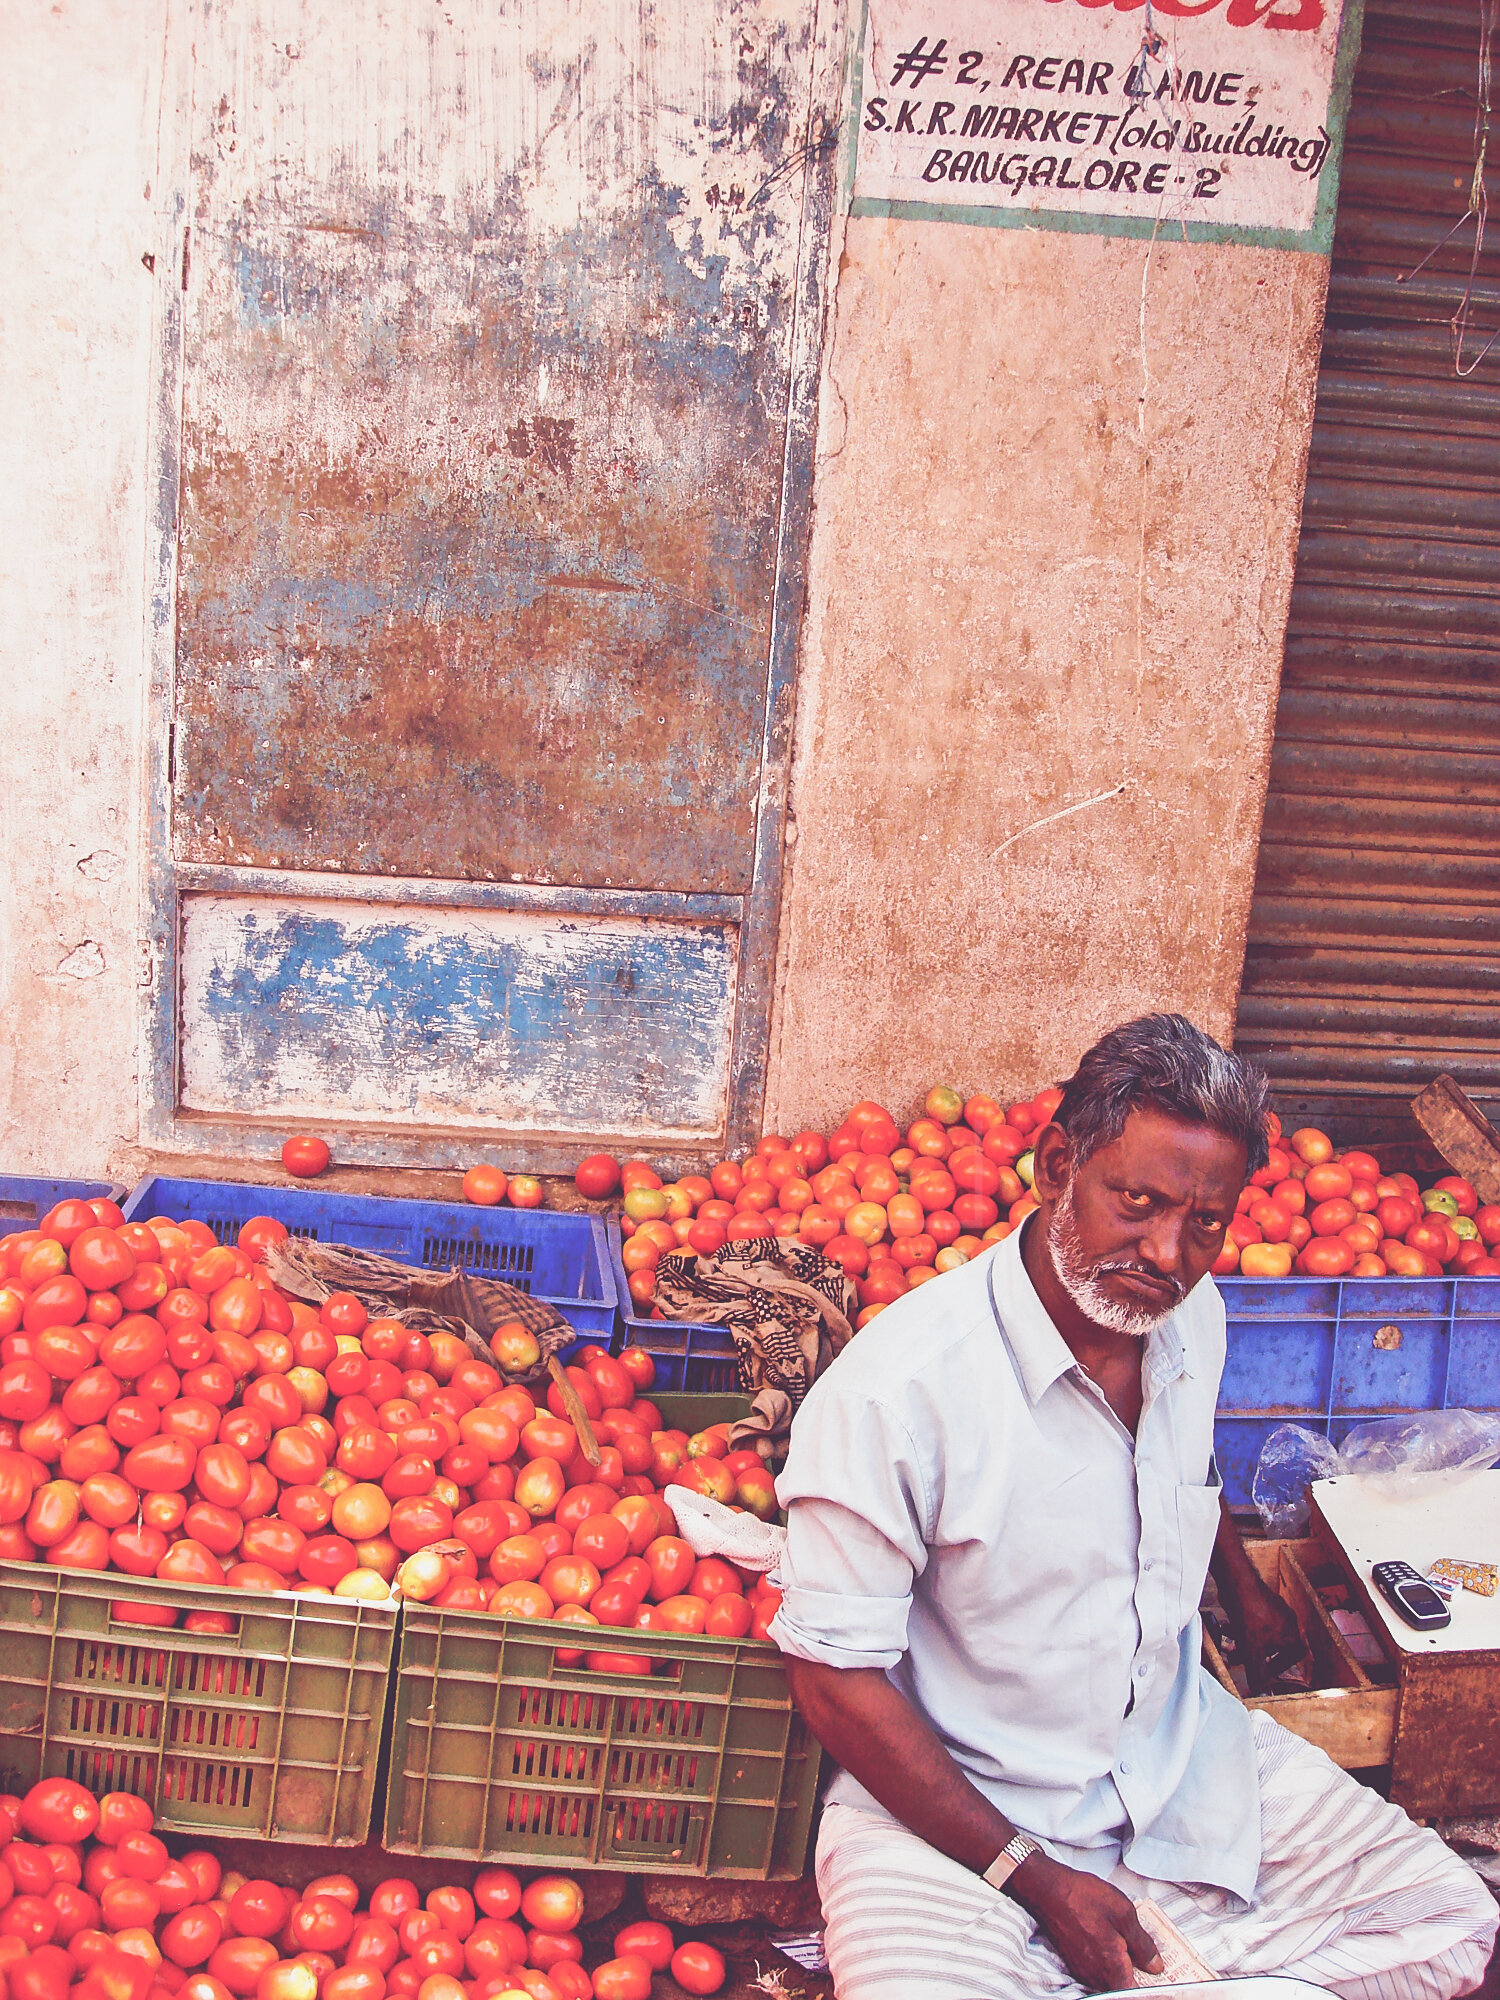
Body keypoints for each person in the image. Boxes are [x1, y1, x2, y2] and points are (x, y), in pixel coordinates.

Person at [771, 1015, 1499, 2000]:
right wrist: (1032, 1876)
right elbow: (833, 1676)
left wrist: (1240, 1583)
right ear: (1056, 1164)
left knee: (1451, 1922)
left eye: (1205, 1220)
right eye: (1137, 1202)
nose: (1167, 1249)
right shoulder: (895, 1394)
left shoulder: (1193, 1314)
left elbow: (1175, 1452)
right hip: (962, 1815)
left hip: (1180, 1757)